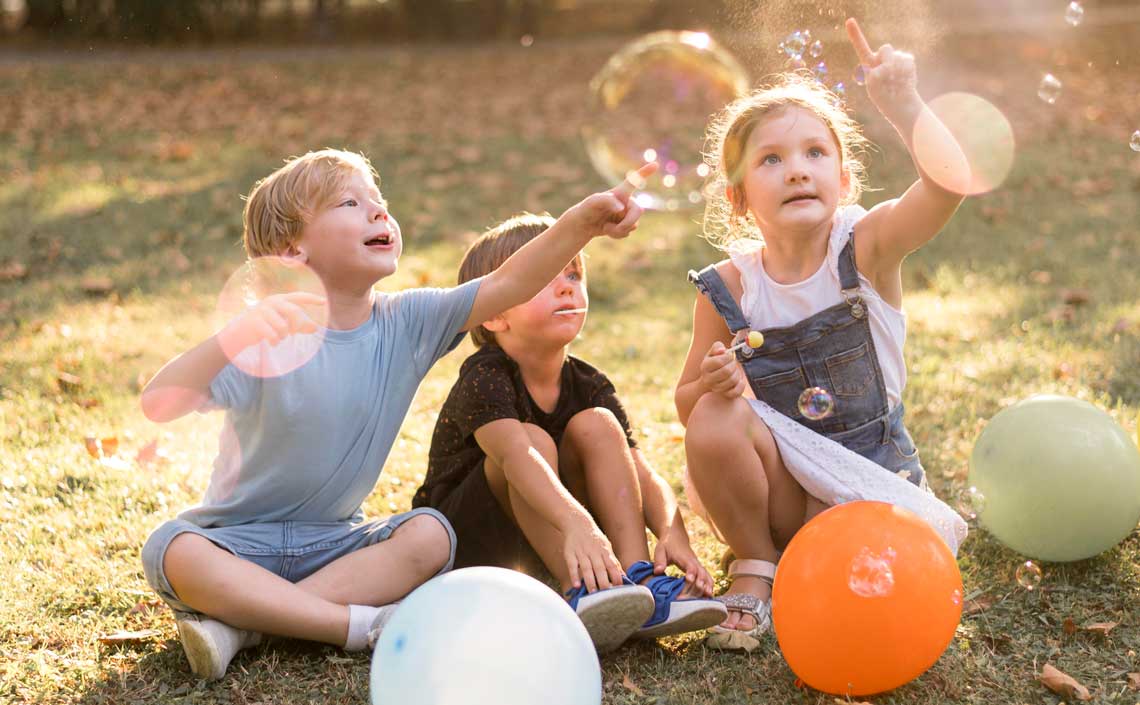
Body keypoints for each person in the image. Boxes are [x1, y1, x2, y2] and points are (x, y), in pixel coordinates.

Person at [138, 149, 654, 679]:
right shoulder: (259, 338)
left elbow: (506, 285)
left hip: (335, 547)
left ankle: (242, 627)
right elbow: (158, 403)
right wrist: (231, 338)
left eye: (380, 202)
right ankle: (353, 627)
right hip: (237, 543)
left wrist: (581, 224)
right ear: (292, 249)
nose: (379, 212)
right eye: (349, 203)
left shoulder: (408, 322)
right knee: (173, 548)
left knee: (431, 534)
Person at [675, 19, 969, 652]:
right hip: (783, 490)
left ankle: (808, 564)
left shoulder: (865, 248)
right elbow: (687, 408)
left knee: (861, 589)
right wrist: (714, 382)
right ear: (739, 197)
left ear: (844, 176)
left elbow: (947, 187)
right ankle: (756, 563)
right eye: (771, 160)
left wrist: (904, 104)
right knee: (715, 417)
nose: (796, 171)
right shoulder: (729, 288)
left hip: (868, 480)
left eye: (815, 153)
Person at [413, 213, 725, 652]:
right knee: (532, 442)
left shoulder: (587, 382)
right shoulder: (484, 376)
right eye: (545, 277)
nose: (566, 287)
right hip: (473, 543)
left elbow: (641, 471)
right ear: (493, 314)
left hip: (563, 535)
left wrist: (674, 533)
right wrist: (579, 523)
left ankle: (636, 582)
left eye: (574, 274)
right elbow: (516, 458)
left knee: (598, 424)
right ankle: (582, 592)